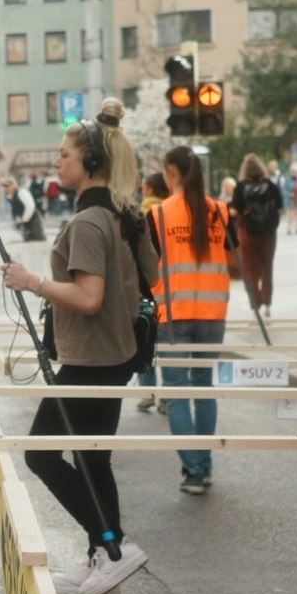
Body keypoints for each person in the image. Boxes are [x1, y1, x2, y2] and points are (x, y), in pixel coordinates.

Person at [0, 104, 157, 594]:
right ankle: (104, 571)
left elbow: (89, 297)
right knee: (92, 459)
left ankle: (113, 545)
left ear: (89, 161)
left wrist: (32, 281)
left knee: (41, 454)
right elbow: (152, 276)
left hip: (90, 360)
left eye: (64, 154)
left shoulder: (88, 221)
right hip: (119, 354)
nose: (57, 162)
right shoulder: (127, 214)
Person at [151, 146, 238, 494]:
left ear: (171, 172)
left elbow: (148, 265)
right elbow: (232, 259)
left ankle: (194, 472)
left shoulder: (160, 213)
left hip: (173, 314)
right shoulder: (220, 211)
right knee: (204, 390)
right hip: (213, 314)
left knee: (176, 394)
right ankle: (204, 464)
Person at [134, 170, 171, 416]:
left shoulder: (143, 213)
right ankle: (166, 397)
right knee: (167, 346)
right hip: (170, 289)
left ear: (149, 189)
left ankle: (147, 393)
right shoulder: (171, 211)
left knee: (146, 340)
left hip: (146, 290)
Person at [234, 154, 284, 316]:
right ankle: (267, 303)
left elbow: (235, 210)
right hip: (269, 233)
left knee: (251, 270)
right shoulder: (271, 186)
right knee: (267, 267)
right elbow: (281, 208)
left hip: (248, 233)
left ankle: (255, 304)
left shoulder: (241, 187)